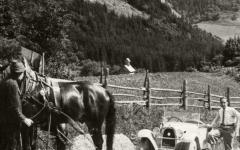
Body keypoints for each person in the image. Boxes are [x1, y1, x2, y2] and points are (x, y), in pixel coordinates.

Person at [0, 59, 34, 150]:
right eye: (23, 74)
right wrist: (24, 119)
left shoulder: (6, 80)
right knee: (12, 145)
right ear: (20, 73)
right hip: (10, 124)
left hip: (4, 121)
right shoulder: (12, 85)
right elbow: (14, 107)